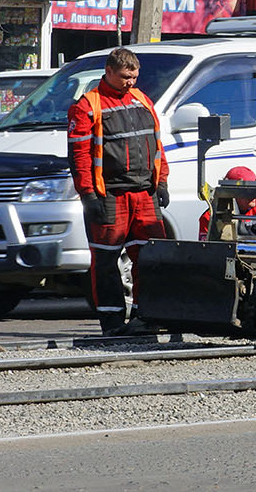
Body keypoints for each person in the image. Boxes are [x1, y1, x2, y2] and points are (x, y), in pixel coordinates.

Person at [67, 47, 169, 336]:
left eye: (134, 77)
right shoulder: (88, 106)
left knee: (151, 258)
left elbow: (157, 145)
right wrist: (88, 195)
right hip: (109, 195)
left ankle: (146, 316)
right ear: (109, 72)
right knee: (106, 261)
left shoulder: (142, 100)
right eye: (125, 77)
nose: (131, 83)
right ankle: (112, 323)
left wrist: (161, 182)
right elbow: (79, 156)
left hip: (144, 194)